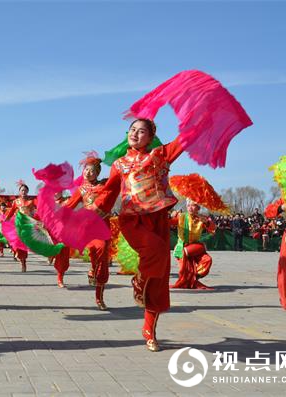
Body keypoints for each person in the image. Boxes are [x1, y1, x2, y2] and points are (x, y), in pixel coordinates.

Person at [94, 118, 185, 352]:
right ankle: (138, 281)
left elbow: (184, 140)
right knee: (154, 251)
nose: (135, 134)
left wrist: (201, 118)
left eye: (141, 131)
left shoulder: (159, 155)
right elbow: (108, 194)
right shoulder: (119, 164)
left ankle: (150, 330)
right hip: (132, 219)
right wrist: (90, 212)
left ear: (151, 136)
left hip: (157, 219)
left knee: (160, 274)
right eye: (132, 130)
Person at [62, 152, 110, 309]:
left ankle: (99, 297)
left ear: (97, 173)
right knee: (95, 253)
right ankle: (92, 268)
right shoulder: (81, 190)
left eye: (92, 170)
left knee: (102, 258)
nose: (88, 173)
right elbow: (69, 205)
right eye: (86, 170)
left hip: (103, 227)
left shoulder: (104, 186)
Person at [170, 201, 216, 289]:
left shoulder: (202, 218)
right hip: (182, 247)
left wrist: (207, 223)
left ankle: (194, 277)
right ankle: (189, 279)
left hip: (195, 246)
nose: (190, 207)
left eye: (193, 205)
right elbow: (168, 222)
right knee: (184, 267)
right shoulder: (181, 216)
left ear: (198, 208)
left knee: (207, 260)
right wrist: (170, 215)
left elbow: (213, 229)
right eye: (188, 205)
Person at [4, 182, 37, 272]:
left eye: (25, 190)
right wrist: (5, 220)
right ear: (19, 192)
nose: (24, 192)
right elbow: (11, 212)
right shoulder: (16, 201)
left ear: (28, 192)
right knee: (17, 243)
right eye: (22, 190)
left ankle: (23, 262)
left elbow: (34, 213)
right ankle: (21, 260)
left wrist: (36, 221)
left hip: (27, 226)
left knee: (23, 244)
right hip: (18, 225)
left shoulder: (31, 202)